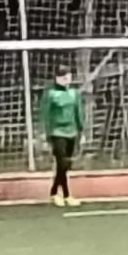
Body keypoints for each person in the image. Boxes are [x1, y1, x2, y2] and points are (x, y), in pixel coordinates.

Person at [40, 65, 87, 209]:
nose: (66, 78)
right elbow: (45, 114)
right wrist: (44, 133)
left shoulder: (74, 93)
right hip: (57, 132)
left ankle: (55, 191)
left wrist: (82, 131)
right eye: (62, 76)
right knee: (62, 163)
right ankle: (65, 194)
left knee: (66, 165)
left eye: (68, 75)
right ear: (56, 78)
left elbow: (78, 113)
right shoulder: (51, 94)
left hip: (71, 132)